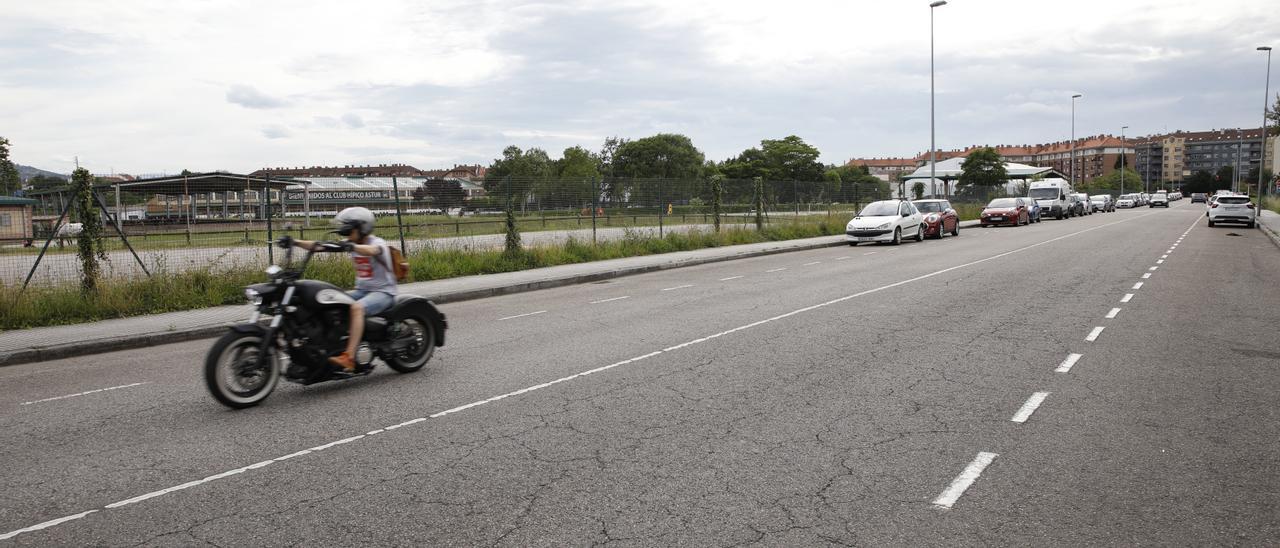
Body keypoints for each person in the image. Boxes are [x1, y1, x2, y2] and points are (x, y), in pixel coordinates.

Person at [283, 207, 398, 372]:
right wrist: (295, 242)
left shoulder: (376, 243)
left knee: (356, 308)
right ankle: (328, 348)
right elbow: (319, 246)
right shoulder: (351, 243)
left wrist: (351, 247)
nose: (345, 234)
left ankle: (349, 358)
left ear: (362, 228)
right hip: (362, 291)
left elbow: (372, 251)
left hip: (384, 293)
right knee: (332, 303)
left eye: (349, 230)